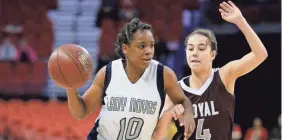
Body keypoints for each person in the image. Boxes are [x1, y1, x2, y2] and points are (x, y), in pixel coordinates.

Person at [65, 18, 195, 140]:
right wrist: (71, 88)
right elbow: (81, 112)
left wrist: (188, 113)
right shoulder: (108, 72)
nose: (149, 51)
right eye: (142, 46)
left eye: (151, 45)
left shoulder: (164, 75)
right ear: (125, 48)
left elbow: (183, 101)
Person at [154, 1, 268, 140]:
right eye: (190, 49)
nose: (194, 53)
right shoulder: (176, 90)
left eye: (201, 48)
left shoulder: (224, 76)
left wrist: (240, 21)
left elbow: (260, 55)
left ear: (212, 54)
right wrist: (166, 115)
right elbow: (156, 137)